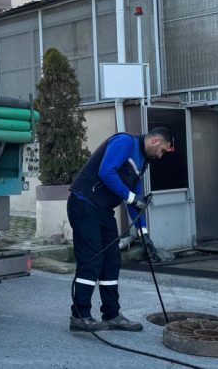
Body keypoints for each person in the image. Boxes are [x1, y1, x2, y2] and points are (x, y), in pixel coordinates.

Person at [66, 127, 174, 332]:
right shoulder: (125, 142)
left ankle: (112, 314)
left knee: (112, 261)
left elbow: (136, 197)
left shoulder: (143, 162)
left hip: (103, 210)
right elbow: (106, 171)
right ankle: (80, 315)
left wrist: (144, 234)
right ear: (155, 141)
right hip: (84, 203)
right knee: (91, 259)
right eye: (162, 150)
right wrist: (132, 197)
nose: (161, 156)